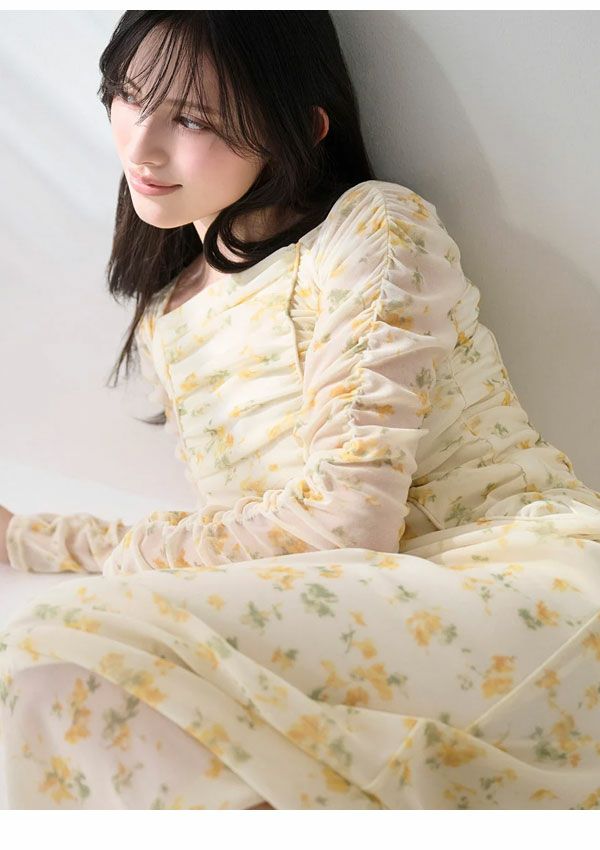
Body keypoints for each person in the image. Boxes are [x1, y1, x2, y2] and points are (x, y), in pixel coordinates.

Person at [2, 10, 600, 811]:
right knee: (75, 677)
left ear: (299, 129)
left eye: (193, 118)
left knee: (64, 652)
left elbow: (343, 525)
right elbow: (246, 539)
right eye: (128, 95)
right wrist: (27, 538)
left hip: (513, 583)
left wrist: (66, 545)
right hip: (359, 613)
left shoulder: (370, 228)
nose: (141, 146)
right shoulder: (168, 319)